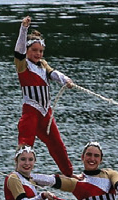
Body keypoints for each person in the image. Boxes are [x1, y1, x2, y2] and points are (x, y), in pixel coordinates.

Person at [14, 16, 75, 175]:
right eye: (34, 50)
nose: (38, 54)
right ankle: (21, 174)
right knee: (26, 145)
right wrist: (24, 29)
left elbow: (52, 73)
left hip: (46, 112)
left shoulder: (42, 64)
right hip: (31, 111)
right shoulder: (22, 65)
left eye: (40, 51)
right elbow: (18, 50)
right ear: (27, 51)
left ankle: (69, 175)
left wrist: (65, 80)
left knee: (57, 145)